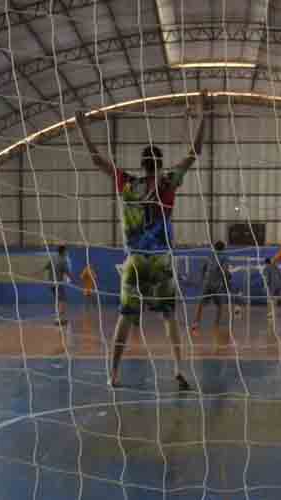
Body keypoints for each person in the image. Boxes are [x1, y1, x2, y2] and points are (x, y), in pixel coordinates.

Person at [74, 90, 208, 390]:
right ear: (160, 164)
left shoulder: (128, 183)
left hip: (134, 262)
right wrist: (204, 113)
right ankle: (176, 368)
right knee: (169, 317)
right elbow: (195, 151)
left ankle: (114, 374)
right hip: (161, 261)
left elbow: (97, 159)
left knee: (126, 319)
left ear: (142, 163)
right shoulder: (168, 182)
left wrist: (81, 126)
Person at [190, 241, 234, 336]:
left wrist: (203, 279)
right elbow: (225, 270)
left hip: (207, 283)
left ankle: (196, 322)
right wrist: (227, 278)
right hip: (217, 285)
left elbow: (203, 268)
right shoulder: (225, 257)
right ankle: (216, 325)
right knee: (220, 306)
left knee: (201, 303)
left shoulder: (210, 255)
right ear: (224, 248)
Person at [45, 245, 73, 325]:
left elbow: (46, 267)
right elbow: (67, 272)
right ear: (64, 251)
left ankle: (60, 319)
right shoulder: (63, 260)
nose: (67, 252)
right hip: (58, 283)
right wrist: (72, 279)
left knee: (58, 300)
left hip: (51, 284)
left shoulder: (53, 258)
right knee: (62, 301)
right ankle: (58, 319)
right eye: (66, 251)